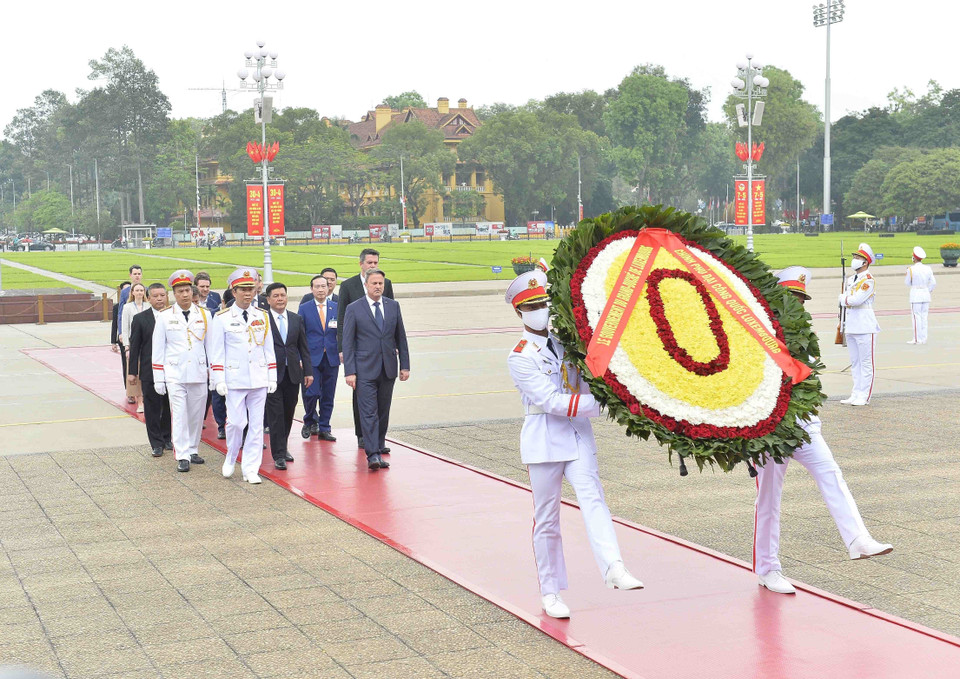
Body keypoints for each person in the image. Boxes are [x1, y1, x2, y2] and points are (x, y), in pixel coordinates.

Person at [505, 265, 643, 620]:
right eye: (532, 306)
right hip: (545, 440)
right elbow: (550, 401)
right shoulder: (520, 356)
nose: (540, 311)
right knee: (547, 519)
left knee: (593, 498)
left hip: (578, 434)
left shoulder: (568, 344)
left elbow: (583, 380)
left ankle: (614, 566)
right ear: (519, 311)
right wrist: (605, 402)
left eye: (543, 303)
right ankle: (550, 592)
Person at [755, 267, 893, 595]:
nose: (798, 304)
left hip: (803, 424)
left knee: (831, 472)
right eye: (792, 297)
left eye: (801, 299)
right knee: (769, 499)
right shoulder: (760, 333)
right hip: (771, 430)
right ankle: (767, 568)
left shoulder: (806, 335)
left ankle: (858, 539)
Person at [209, 268, 277, 484]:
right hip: (234, 378)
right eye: (243, 290)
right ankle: (231, 456)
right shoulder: (222, 318)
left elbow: (268, 348)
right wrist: (218, 379)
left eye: (251, 289)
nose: (248, 294)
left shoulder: (262, 316)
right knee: (237, 423)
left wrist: (272, 375)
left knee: (256, 426)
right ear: (234, 290)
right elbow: (216, 351)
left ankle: (250, 468)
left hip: (258, 377)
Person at [342, 269, 409, 470]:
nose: (378, 287)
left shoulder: (393, 306)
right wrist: (349, 371)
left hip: (388, 369)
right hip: (364, 370)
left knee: (382, 412)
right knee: (368, 413)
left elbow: (401, 338)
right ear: (366, 285)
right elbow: (348, 342)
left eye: (381, 283)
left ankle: (379, 446)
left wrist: (404, 365)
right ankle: (372, 455)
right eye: (374, 284)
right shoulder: (354, 308)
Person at [152, 271, 211, 473]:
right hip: (175, 373)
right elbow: (158, 349)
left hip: (198, 371)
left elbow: (211, 346)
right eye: (180, 291)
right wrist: (158, 378)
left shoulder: (204, 314)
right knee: (178, 414)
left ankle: (193, 449)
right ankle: (182, 454)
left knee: (196, 414)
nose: (184, 294)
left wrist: (213, 371)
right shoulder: (165, 316)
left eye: (187, 290)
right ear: (174, 294)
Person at [337, 249, 395, 449]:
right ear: (361, 264)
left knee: (381, 400)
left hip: (381, 351)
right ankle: (362, 434)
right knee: (360, 395)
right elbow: (342, 319)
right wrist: (342, 348)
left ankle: (378, 438)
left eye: (376, 262)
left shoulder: (385, 284)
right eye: (369, 262)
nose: (373, 265)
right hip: (358, 350)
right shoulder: (348, 286)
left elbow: (390, 315)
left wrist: (393, 345)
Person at [264, 282, 313, 469]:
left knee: (288, 412)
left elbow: (304, 348)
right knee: (275, 415)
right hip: (271, 375)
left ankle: (283, 447)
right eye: (275, 296)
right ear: (268, 299)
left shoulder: (295, 319)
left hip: (292, 373)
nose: (279, 299)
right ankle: (278, 455)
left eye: (282, 295)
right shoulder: (263, 319)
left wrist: (308, 371)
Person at [127, 283, 172, 457]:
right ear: (148, 298)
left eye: (162, 295)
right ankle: (156, 442)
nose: (159, 299)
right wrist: (132, 373)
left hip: (171, 370)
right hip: (149, 370)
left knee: (168, 406)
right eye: (155, 296)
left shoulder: (172, 316)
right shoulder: (140, 319)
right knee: (152, 407)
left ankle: (167, 437)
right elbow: (135, 347)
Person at [839, 242, 880, 407]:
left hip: (865, 325)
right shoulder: (850, 279)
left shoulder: (868, 280)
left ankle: (864, 395)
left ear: (865, 262)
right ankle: (855, 393)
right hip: (852, 324)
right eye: (854, 257)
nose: (854, 260)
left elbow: (855, 300)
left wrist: (843, 299)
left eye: (857, 257)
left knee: (866, 363)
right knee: (855, 362)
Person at [299, 276, 340, 441]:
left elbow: (341, 332)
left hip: (331, 357)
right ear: (312, 289)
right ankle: (309, 419)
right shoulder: (304, 308)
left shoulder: (336, 307)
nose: (321, 289)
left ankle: (325, 427)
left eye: (324, 286)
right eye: (318, 286)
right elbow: (299, 335)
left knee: (328, 395)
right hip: (311, 358)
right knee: (312, 392)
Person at [121, 282, 147, 413]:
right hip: (134, 344)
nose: (139, 292)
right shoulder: (127, 307)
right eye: (137, 290)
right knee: (134, 373)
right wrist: (127, 347)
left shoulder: (148, 306)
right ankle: (140, 401)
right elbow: (125, 329)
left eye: (141, 290)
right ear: (132, 292)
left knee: (146, 373)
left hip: (147, 344)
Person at [905, 246, 936, 345]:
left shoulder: (911, 269)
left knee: (916, 317)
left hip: (916, 294)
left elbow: (907, 283)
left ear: (914, 258)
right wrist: (927, 290)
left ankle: (916, 339)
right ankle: (923, 338)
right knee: (924, 317)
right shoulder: (928, 268)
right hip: (926, 294)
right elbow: (933, 282)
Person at [111, 281, 132, 392]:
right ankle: (128, 390)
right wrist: (114, 340)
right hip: (124, 337)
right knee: (126, 365)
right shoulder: (118, 307)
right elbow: (115, 324)